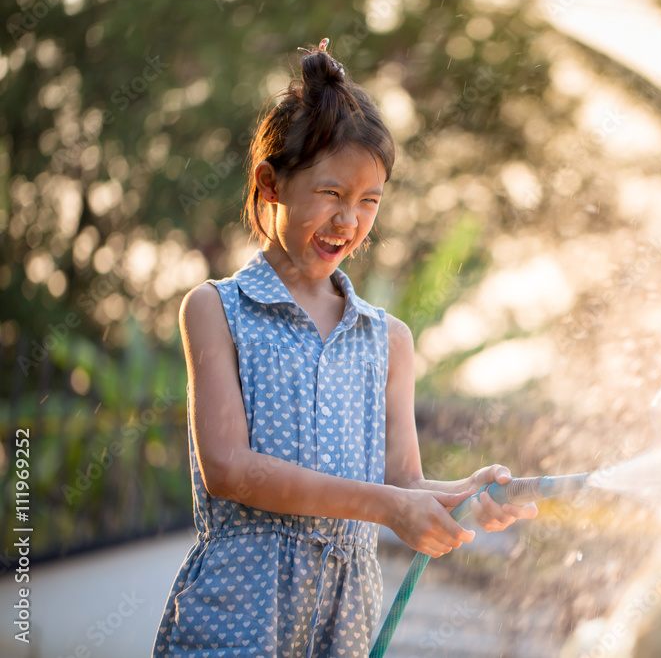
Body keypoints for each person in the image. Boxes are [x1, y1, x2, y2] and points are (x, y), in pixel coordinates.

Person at [152, 38, 537, 657]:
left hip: (346, 620)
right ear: (270, 184)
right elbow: (229, 470)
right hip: (240, 612)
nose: (348, 221)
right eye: (331, 193)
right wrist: (388, 505)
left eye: (369, 202)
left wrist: (468, 497)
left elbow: (402, 482)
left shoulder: (388, 339)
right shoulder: (216, 309)